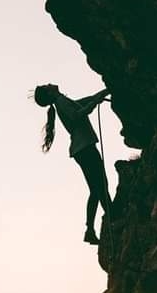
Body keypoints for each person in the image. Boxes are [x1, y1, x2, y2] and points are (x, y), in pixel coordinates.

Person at [33, 83, 111, 245]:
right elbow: (77, 115)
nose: (50, 83)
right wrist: (94, 103)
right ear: (49, 91)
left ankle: (91, 229)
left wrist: (104, 92)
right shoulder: (61, 101)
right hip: (85, 147)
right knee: (100, 184)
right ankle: (112, 217)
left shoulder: (62, 101)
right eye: (47, 85)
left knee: (96, 188)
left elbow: (83, 102)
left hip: (81, 149)